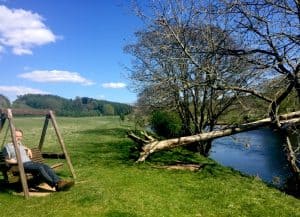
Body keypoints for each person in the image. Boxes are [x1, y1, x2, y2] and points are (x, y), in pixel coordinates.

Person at [2, 129, 74, 191]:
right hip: (20, 165)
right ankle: (55, 185)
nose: (19, 138)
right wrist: (15, 161)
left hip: (29, 163)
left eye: (20, 136)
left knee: (45, 166)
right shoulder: (7, 147)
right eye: (17, 136)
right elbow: (6, 160)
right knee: (40, 168)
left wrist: (28, 149)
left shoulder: (19, 144)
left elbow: (22, 147)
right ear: (12, 136)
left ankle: (59, 182)